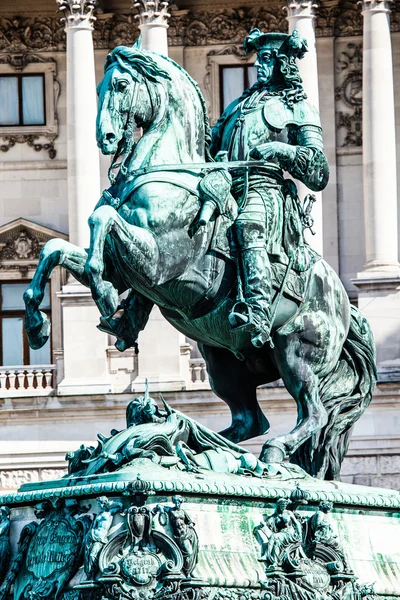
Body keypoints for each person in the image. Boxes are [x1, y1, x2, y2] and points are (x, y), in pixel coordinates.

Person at [210, 28, 329, 348]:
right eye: (258, 60)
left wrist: (282, 152)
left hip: (266, 192)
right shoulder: (237, 107)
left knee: (247, 223)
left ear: (282, 64)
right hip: (224, 186)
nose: (258, 66)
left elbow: (319, 170)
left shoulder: (298, 107)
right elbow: (210, 146)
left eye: (265, 60)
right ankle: (136, 313)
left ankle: (258, 311)